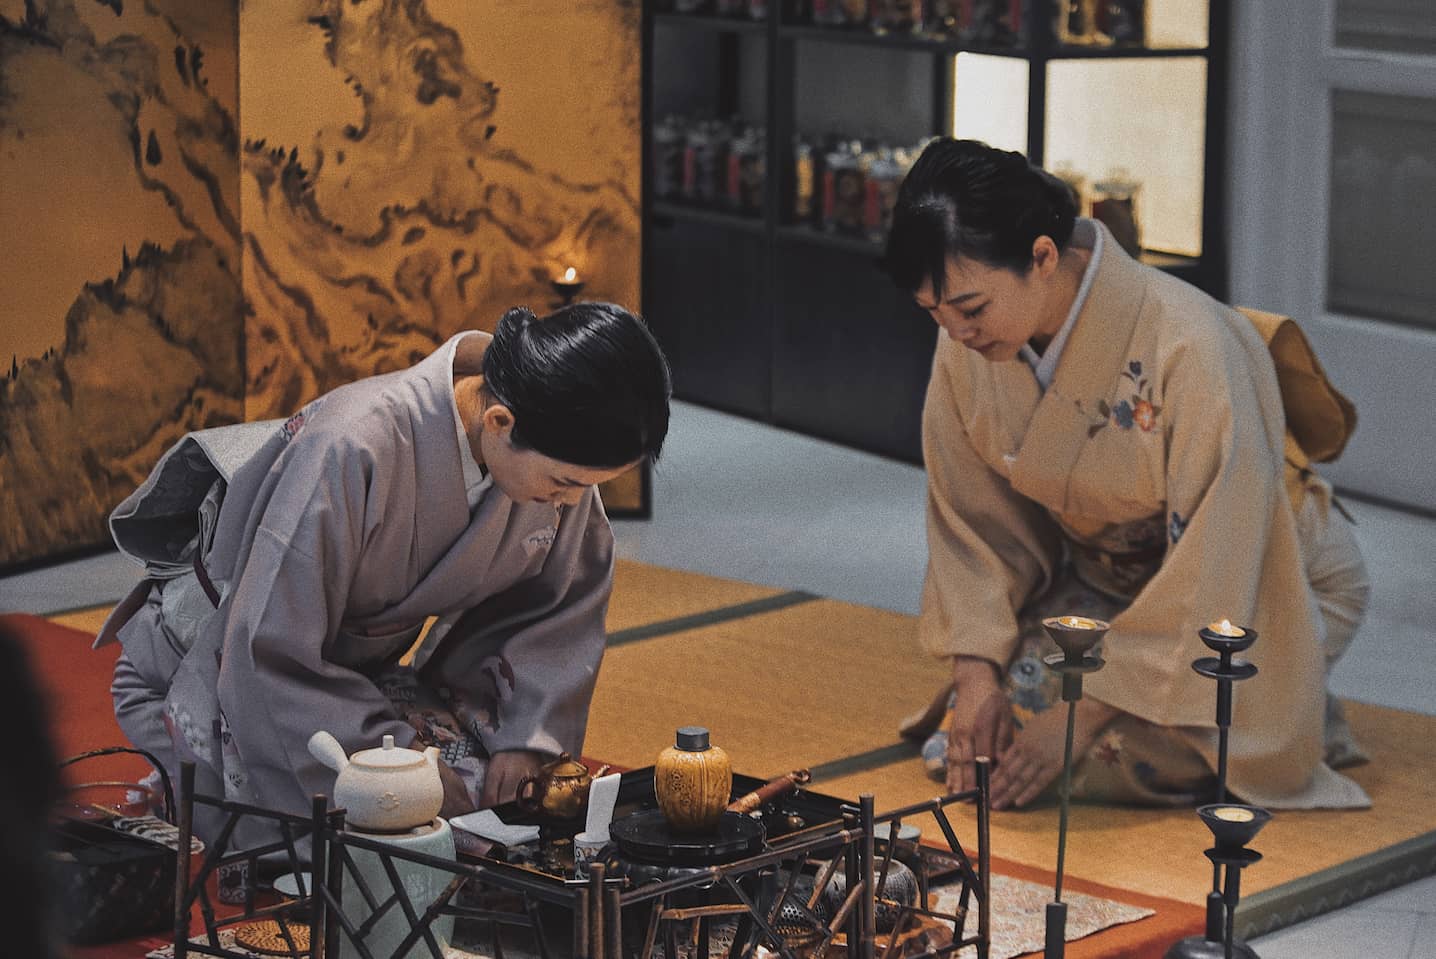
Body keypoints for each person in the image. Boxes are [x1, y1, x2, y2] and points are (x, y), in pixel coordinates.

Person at [884, 138, 1371, 812]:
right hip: (1112, 584)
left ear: (1043, 257)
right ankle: (1270, 699)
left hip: (1262, 581)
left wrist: (1082, 721)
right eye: (935, 315)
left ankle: (1292, 693)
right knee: (978, 737)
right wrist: (975, 679)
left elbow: (1219, 563)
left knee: (1110, 756)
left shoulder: (1191, 344)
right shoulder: (967, 336)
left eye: (969, 309)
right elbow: (973, 521)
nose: (957, 333)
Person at [96, 302, 671, 846]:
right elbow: (265, 646)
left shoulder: (549, 455)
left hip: (348, 676)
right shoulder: (352, 445)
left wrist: (524, 741)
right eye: (568, 485)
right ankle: (178, 783)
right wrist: (397, 758)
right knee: (383, 822)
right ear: (499, 421)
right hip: (222, 667)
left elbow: (557, 611)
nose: (570, 505)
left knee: (492, 798)